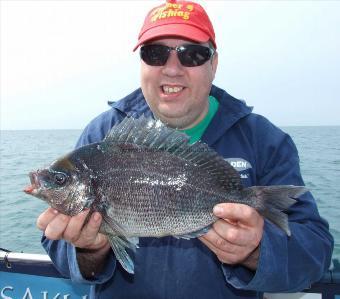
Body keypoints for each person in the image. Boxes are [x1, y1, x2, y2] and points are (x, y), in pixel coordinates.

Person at [37, 0, 334, 298]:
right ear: (141, 64)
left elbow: (315, 253)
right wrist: (88, 250)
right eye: (155, 54)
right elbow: (60, 251)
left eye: (192, 55)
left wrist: (257, 250)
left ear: (213, 64)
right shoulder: (101, 135)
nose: (172, 69)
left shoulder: (264, 140)